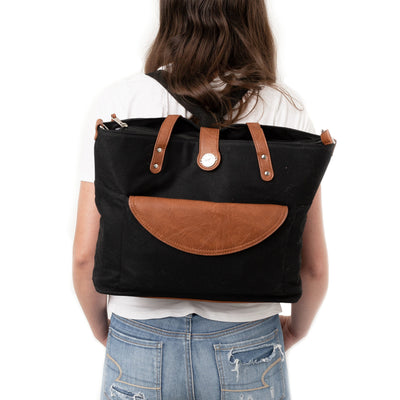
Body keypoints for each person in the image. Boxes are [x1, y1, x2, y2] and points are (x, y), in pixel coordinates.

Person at [73, 1, 329, 399]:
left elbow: (84, 256)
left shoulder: (120, 102)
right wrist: (296, 329)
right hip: (250, 340)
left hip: (139, 334)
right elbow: (313, 266)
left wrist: (106, 330)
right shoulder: (284, 108)